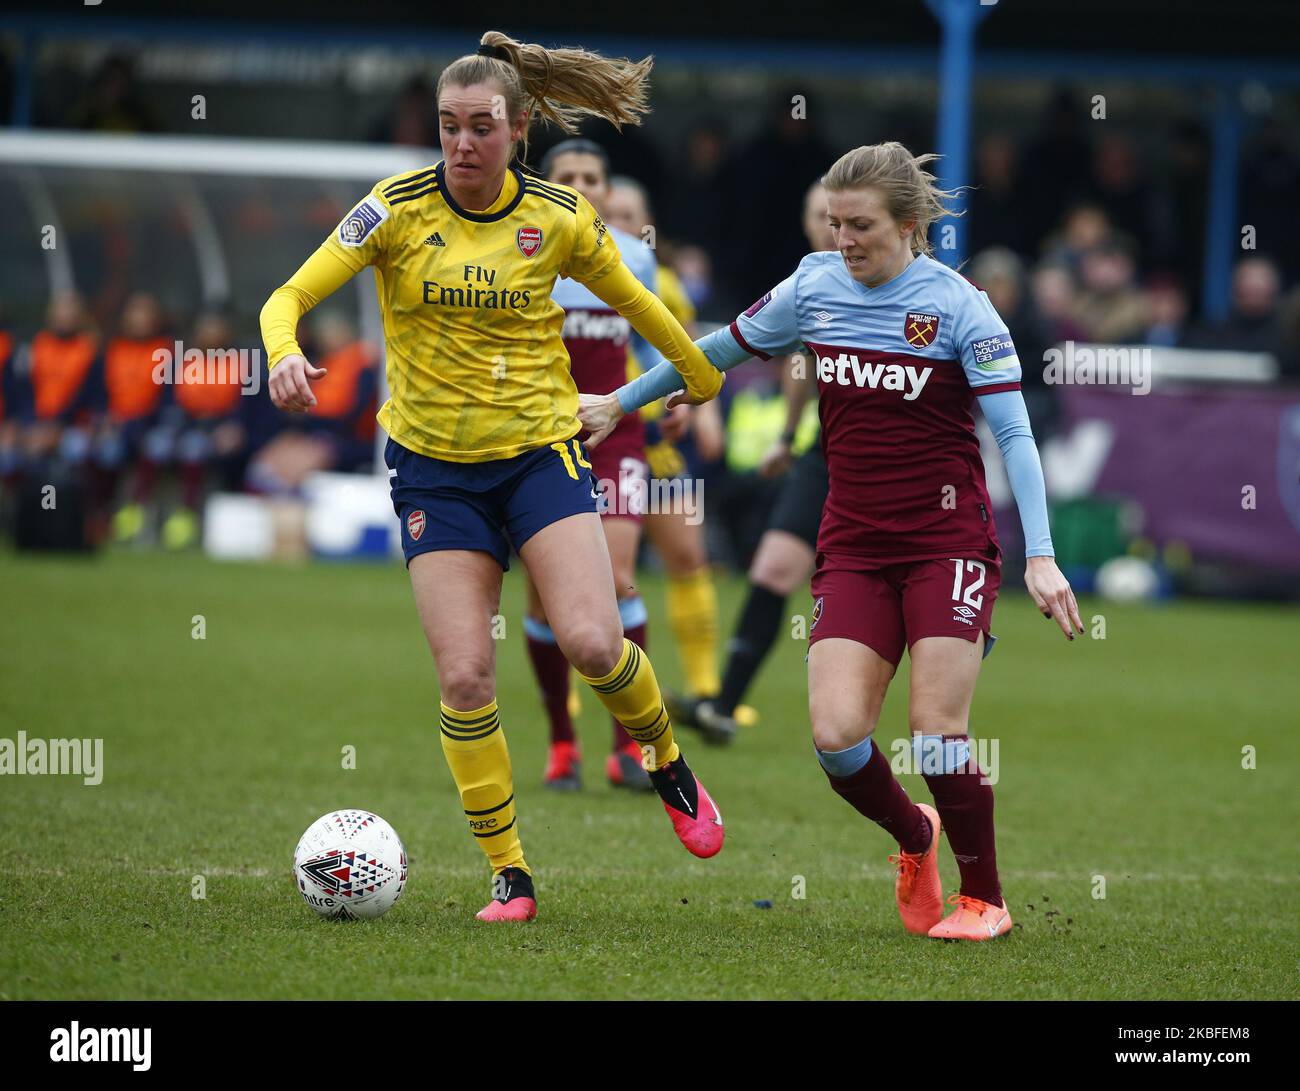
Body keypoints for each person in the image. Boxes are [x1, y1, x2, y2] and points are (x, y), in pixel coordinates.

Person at [260, 32, 726, 924]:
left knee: (595, 640)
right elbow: (286, 299)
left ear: (516, 130)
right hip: (433, 472)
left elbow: (644, 304)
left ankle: (666, 760)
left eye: (481, 127)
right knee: (468, 677)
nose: (462, 144)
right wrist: (282, 353)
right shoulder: (391, 209)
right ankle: (510, 873)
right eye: (448, 127)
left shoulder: (557, 217)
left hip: (537, 456)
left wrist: (693, 377)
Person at [583, 142, 1083, 942]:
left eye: (861, 226)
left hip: (947, 542)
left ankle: (984, 897)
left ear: (911, 225)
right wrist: (621, 401)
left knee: (935, 732)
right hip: (852, 543)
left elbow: (1015, 433)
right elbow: (711, 352)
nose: (843, 239)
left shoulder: (961, 307)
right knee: (836, 737)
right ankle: (915, 837)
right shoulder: (813, 284)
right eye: (835, 222)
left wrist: (1043, 552)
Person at [670, 179, 834, 743]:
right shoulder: (811, 286)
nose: (829, 226)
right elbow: (801, 368)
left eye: (838, 217)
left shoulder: (884, 285)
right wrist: (789, 439)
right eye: (819, 216)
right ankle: (723, 704)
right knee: (772, 569)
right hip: (822, 454)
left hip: (879, 461)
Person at [524, 138, 658, 793]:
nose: (581, 185)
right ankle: (560, 741)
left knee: (620, 578)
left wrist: (674, 394)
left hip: (614, 435)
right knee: (544, 602)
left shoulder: (634, 258)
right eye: (566, 176)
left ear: (609, 191)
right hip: (537, 438)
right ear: (545, 185)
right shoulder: (523, 253)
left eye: (592, 176)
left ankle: (629, 747)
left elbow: (646, 339)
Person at [605, 175, 729, 711]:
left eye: (630, 215)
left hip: (657, 438)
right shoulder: (572, 274)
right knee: (602, 577)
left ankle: (704, 689)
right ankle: (583, 696)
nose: (621, 224)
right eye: (611, 214)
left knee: (686, 555)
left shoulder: (664, 283)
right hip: (597, 437)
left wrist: (708, 413)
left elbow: (693, 351)